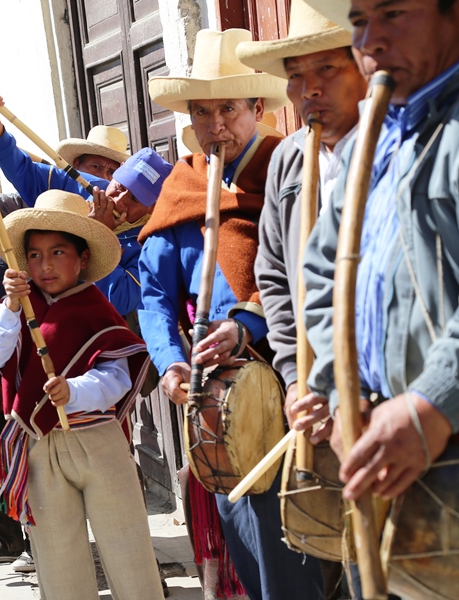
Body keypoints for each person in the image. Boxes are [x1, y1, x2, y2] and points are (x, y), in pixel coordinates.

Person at [140, 28, 324, 599]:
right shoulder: (185, 185)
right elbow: (154, 294)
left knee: (300, 550)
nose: (215, 124)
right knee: (246, 544)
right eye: (201, 111)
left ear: (258, 109)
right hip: (217, 400)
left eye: (228, 109)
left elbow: (309, 269)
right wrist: (170, 363)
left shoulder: (290, 170)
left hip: (292, 384)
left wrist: (246, 326)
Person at [301, 0, 459, 506]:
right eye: (359, 21)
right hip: (384, 441)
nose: (370, 42)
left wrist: (434, 401)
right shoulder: (374, 139)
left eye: (392, 14)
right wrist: (340, 393)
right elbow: (322, 271)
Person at [237, 2, 369, 596]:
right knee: (355, 562)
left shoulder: (408, 147)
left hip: (405, 403)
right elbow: (274, 277)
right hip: (324, 407)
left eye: (328, 71)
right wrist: (296, 379)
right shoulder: (291, 159)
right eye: (296, 76)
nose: (309, 90)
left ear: (365, 65)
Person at [0, 189, 164, 599]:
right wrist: (11, 305)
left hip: (96, 439)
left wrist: (74, 391)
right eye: (34, 255)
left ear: (82, 259)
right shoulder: (19, 307)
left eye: (58, 252)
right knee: (57, 557)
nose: (45, 265)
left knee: (127, 546)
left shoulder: (95, 307)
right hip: (39, 444)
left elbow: (115, 378)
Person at [0, 82, 128, 205]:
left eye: (112, 172)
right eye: (96, 167)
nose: (103, 178)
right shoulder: (56, 185)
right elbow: (21, 169)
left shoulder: (129, 205)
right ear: (75, 164)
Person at [88, 147, 173, 316]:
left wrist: (101, 236)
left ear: (153, 207)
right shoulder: (88, 190)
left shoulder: (153, 247)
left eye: (135, 199)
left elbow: (119, 299)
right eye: (119, 187)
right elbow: (23, 167)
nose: (120, 201)